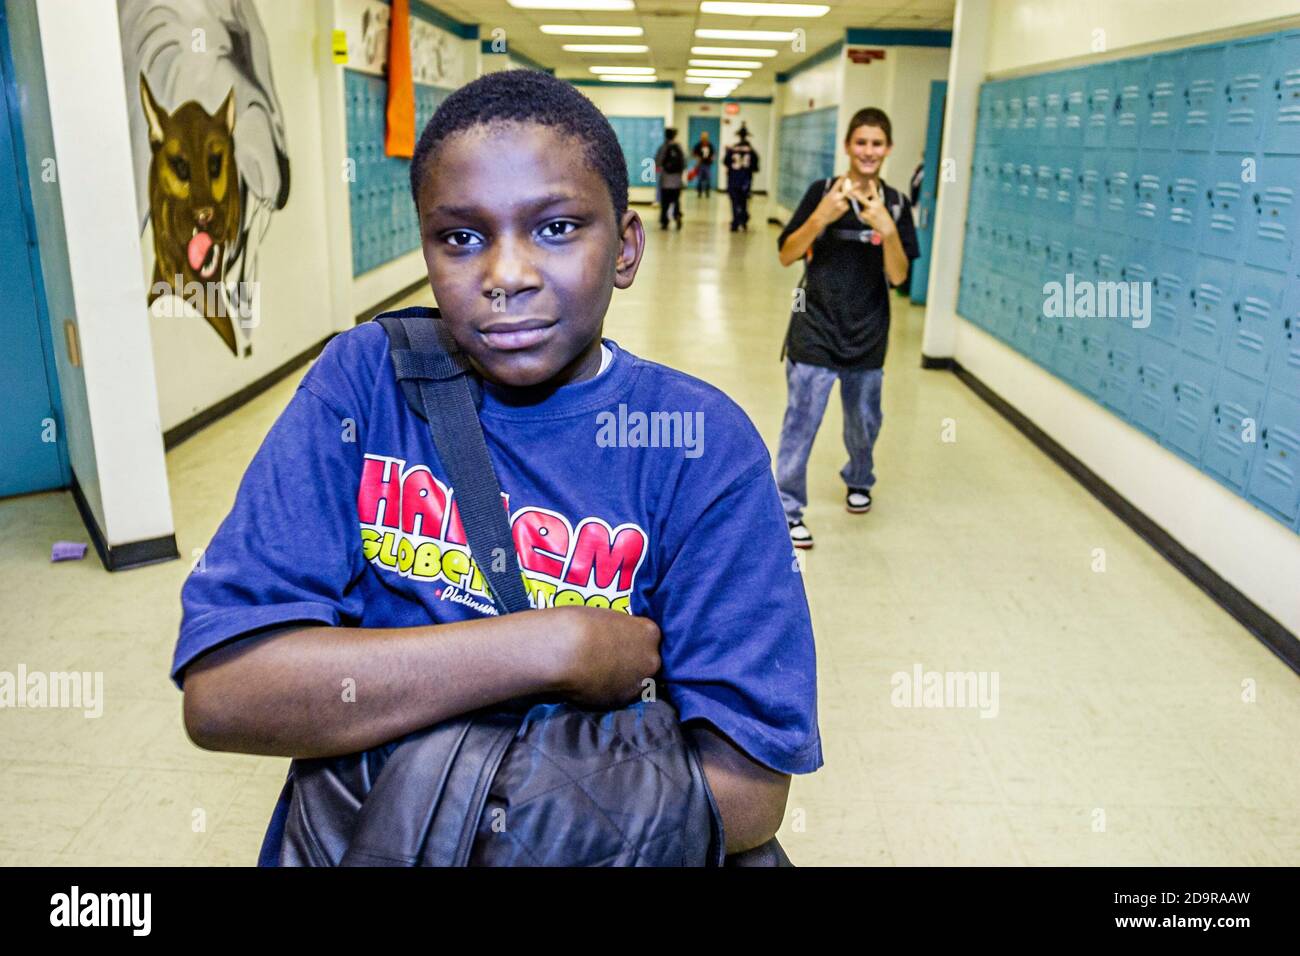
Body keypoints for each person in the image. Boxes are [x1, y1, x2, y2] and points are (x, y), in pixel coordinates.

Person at [172, 69, 822, 864]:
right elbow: (225, 693)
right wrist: (552, 647)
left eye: (555, 228)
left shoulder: (697, 444)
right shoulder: (366, 386)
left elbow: (751, 791)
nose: (505, 276)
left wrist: (465, 816)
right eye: (462, 237)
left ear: (624, 248)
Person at [774, 107, 920, 549]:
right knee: (802, 422)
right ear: (848, 147)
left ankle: (859, 477)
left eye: (877, 143)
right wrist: (821, 217)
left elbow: (898, 277)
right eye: (861, 142)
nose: (869, 151)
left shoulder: (895, 204)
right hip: (814, 329)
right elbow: (786, 253)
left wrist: (888, 230)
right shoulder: (822, 192)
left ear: (888, 149)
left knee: (863, 423)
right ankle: (787, 507)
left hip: (867, 335)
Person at [723, 128, 759, 231]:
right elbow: (755, 167)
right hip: (746, 181)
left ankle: (735, 222)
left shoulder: (733, 149)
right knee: (744, 201)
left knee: (734, 201)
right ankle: (743, 220)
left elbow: (726, 162)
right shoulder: (751, 151)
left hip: (733, 180)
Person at [654, 127, 686, 230]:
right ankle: (677, 215)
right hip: (677, 181)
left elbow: (658, 162)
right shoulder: (678, 147)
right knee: (676, 200)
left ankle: (664, 221)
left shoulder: (663, 147)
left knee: (665, 202)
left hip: (665, 180)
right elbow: (684, 163)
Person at [691, 130, 715, 197]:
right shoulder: (698, 145)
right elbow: (693, 153)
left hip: (707, 164)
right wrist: (697, 158)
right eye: (703, 136)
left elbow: (713, 154)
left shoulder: (710, 145)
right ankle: (699, 192)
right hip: (700, 164)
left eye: (705, 136)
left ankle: (707, 192)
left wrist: (712, 158)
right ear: (701, 137)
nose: (704, 137)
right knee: (699, 179)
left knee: (708, 179)